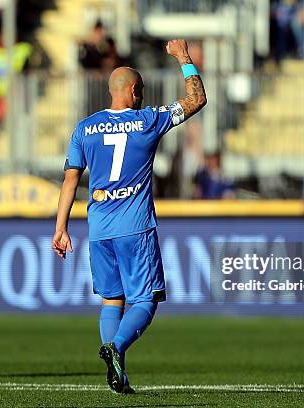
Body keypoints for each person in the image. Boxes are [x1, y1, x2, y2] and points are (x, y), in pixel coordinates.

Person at [52, 39, 206, 393]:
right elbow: (197, 99)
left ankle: (117, 375)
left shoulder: (84, 128)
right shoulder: (147, 121)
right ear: (134, 91)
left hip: (99, 230)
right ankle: (116, 349)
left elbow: (71, 180)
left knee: (111, 300)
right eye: (142, 90)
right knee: (145, 300)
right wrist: (184, 58)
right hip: (135, 228)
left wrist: (61, 228)